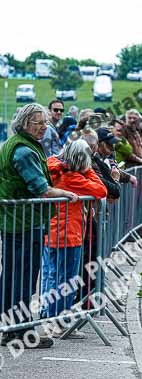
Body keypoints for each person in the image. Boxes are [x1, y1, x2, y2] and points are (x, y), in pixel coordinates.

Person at [0, 104, 80, 348]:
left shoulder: (14, 144)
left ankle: (11, 328)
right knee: (23, 277)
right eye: (39, 123)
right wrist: (67, 194)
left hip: (17, 220)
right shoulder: (23, 151)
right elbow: (40, 188)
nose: (44, 127)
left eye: (45, 122)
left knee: (13, 276)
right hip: (24, 221)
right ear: (25, 124)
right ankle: (20, 329)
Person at [42, 140, 107, 335]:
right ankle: (58, 320)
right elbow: (101, 189)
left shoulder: (52, 165)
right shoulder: (74, 177)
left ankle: (48, 316)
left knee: (51, 275)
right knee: (67, 279)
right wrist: (87, 170)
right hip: (69, 233)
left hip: (51, 231)